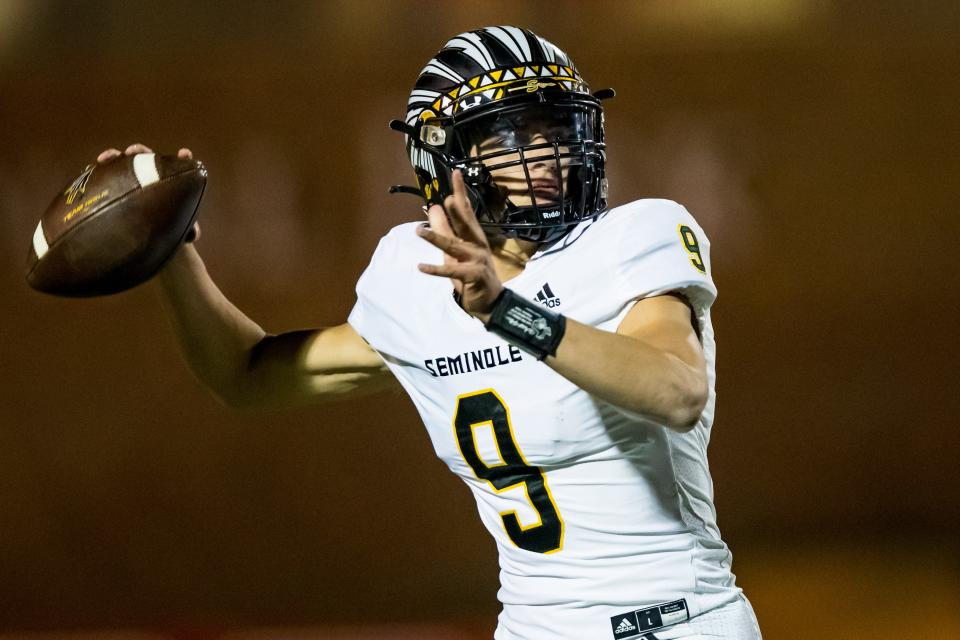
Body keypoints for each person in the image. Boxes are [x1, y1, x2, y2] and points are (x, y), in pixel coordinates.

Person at [98, 25, 760, 640]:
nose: (550, 154)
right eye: (511, 137)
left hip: (676, 623)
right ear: (443, 163)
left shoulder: (630, 238)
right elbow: (243, 376)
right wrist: (172, 252)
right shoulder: (414, 275)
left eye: (557, 128)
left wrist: (507, 312)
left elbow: (676, 389)